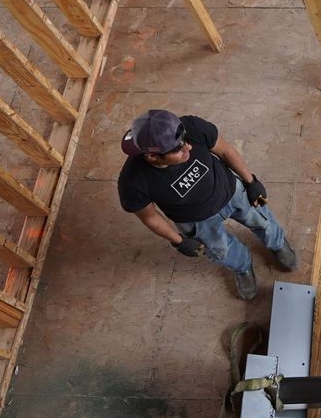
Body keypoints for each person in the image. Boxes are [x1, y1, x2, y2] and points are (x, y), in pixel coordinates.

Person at [117, 109, 297, 299]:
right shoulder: (133, 181)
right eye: (177, 149)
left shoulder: (192, 126)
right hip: (196, 221)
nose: (188, 147)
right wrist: (179, 241)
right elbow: (150, 217)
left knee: (261, 220)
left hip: (231, 192)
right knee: (222, 249)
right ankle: (242, 266)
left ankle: (277, 244)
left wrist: (251, 182)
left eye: (185, 140)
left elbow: (225, 151)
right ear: (152, 156)